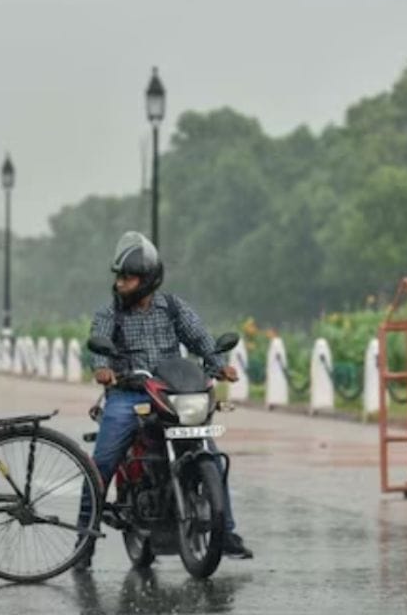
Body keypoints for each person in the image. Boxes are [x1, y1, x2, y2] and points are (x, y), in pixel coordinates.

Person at [75, 231, 253, 571]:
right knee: (101, 465)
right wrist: (102, 369)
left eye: (127, 277)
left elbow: (201, 339)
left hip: (173, 394)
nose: (120, 283)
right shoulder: (110, 312)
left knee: (211, 456)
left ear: (146, 281)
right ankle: (84, 539)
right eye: (119, 277)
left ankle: (225, 532)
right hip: (129, 395)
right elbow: (97, 344)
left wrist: (219, 366)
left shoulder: (172, 307)